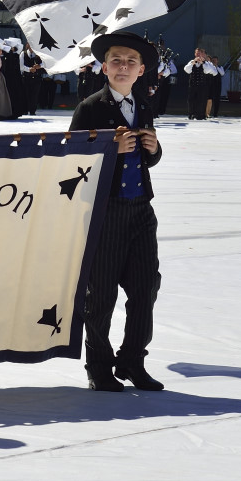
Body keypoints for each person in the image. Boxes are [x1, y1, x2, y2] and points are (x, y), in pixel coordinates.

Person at [69, 31, 165, 392]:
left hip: (141, 210)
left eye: (131, 62)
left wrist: (153, 150)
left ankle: (132, 361)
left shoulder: (143, 105)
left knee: (145, 288)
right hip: (105, 212)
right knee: (102, 293)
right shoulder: (90, 107)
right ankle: (98, 366)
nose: (123, 67)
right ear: (104, 67)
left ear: (141, 71)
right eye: (116, 61)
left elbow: (147, 159)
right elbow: (72, 161)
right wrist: (110, 150)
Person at [183, 48, 217, 120]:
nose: (198, 55)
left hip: (202, 85)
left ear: (202, 54)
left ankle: (200, 115)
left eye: (200, 53)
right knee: (191, 100)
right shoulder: (192, 62)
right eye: (197, 53)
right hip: (193, 84)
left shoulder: (207, 63)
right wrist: (193, 63)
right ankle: (191, 114)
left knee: (201, 100)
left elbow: (209, 71)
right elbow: (186, 70)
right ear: (195, 54)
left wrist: (203, 63)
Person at [21, 41, 45, 115]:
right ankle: (25, 110)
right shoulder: (23, 54)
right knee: (26, 94)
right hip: (26, 77)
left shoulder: (39, 54)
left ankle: (32, 110)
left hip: (37, 78)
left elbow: (45, 63)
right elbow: (21, 66)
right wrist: (29, 69)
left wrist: (39, 66)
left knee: (35, 95)